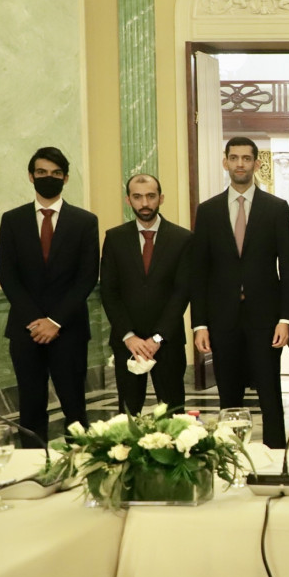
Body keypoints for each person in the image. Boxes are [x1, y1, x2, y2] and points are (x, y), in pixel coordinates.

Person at [190, 137, 289, 449]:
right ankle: (231, 455)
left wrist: (286, 319)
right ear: (225, 162)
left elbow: (288, 268)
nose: (240, 164)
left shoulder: (276, 208)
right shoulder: (208, 211)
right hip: (222, 319)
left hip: (265, 319)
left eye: (246, 158)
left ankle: (276, 453)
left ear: (256, 163)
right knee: (229, 395)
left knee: (269, 392)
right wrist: (200, 324)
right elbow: (199, 272)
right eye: (234, 158)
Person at [0, 147, 99, 446]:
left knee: (75, 409)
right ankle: (32, 468)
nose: (48, 177)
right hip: (25, 330)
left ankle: (80, 466)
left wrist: (55, 321)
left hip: (69, 329)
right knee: (30, 409)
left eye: (55, 173)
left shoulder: (84, 221)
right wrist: (35, 320)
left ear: (65, 178)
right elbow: (8, 276)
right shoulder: (12, 220)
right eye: (41, 172)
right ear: (31, 176)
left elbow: (86, 277)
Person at [99, 174, 193, 416]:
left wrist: (157, 338)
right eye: (137, 197)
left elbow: (182, 292)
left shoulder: (182, 238)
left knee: (174, 415)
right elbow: (109, 291)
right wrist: (129, 336)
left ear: (161, 198)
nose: (145, 203)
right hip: (127, 343)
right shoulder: (115, 238)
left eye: (151, 196)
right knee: (128, 416)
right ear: (128, 200)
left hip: (168, 342)